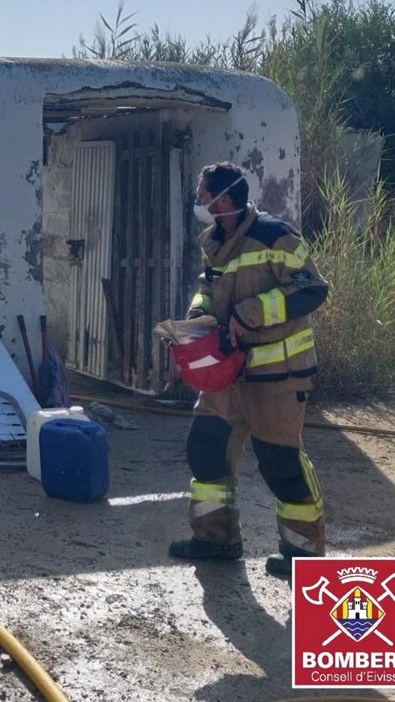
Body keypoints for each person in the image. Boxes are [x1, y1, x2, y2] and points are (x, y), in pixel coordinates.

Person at [168, 161, 329, 578]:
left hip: (278, 375)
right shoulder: (214, 240)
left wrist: (252, 311)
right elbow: (208, 287)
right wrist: (197, 318)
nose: (198, 202)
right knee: (206, 448)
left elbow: (312, 288)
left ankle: (303, 554)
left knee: (280, 463)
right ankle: (216, 538)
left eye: (203, 196)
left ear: (223, 199)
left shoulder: (275, 235)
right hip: (228, 372)